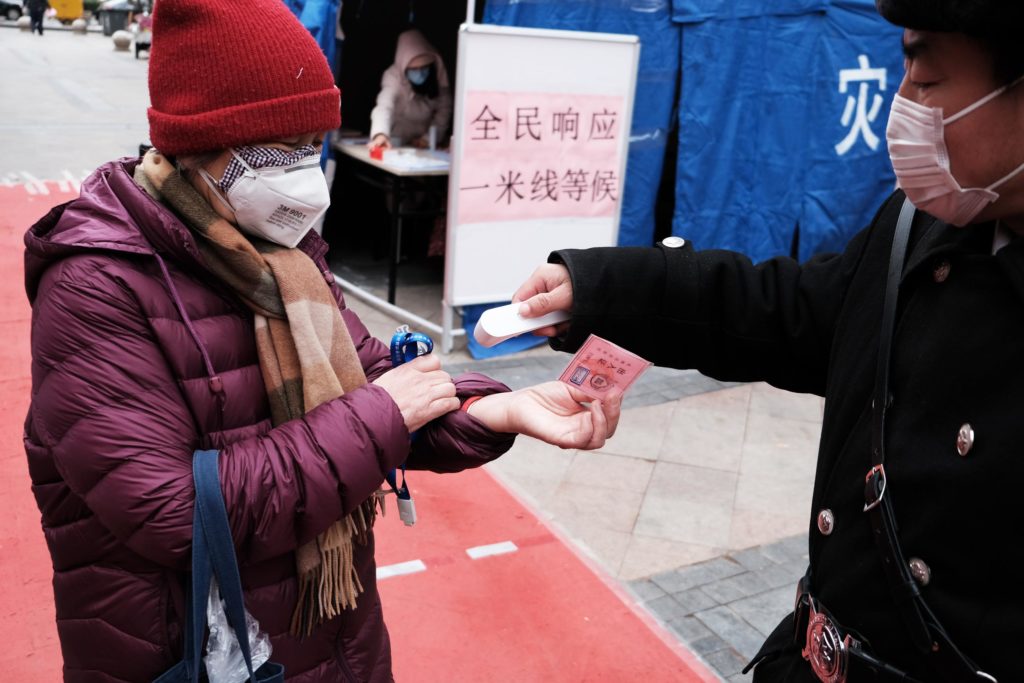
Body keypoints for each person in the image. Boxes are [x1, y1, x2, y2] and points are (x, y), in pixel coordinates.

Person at [22, 1, 620, 681]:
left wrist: (497, 409)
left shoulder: (288, 252)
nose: (308, 173)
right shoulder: (96, 284)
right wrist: (381, 413)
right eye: (283, 150)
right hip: (197, 649)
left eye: (315, 144)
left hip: (335, 636)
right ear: (202, 147)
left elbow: (366, 379)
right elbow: (173, 513)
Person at [511, 1, 1024, 680]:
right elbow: (792, 310)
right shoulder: (923, 223)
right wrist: (602, 289)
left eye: (928, 85)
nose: (903, 105)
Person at [368, 29, 452, 151]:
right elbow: (384, 106)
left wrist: (428, 139)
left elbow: (444, 112)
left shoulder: (439, 78)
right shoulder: (393, 77)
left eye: (423, 68)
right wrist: (380, 134)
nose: (419, 73)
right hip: (394, 139)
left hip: (422, 144)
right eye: (414, 69)